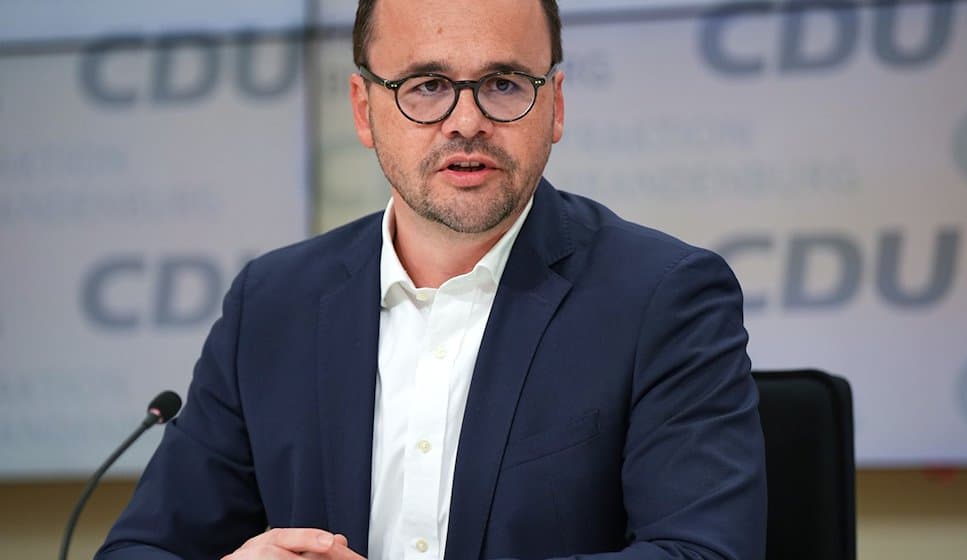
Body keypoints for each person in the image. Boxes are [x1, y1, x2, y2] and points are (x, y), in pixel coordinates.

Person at [98, 0, 766, 558]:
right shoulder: (272, 305)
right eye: (426, 85)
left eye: (504, 82)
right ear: (363, 109)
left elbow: (702, 551)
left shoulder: (663, 296)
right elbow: (144, 548)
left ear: (555, 106)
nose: (467, 121)